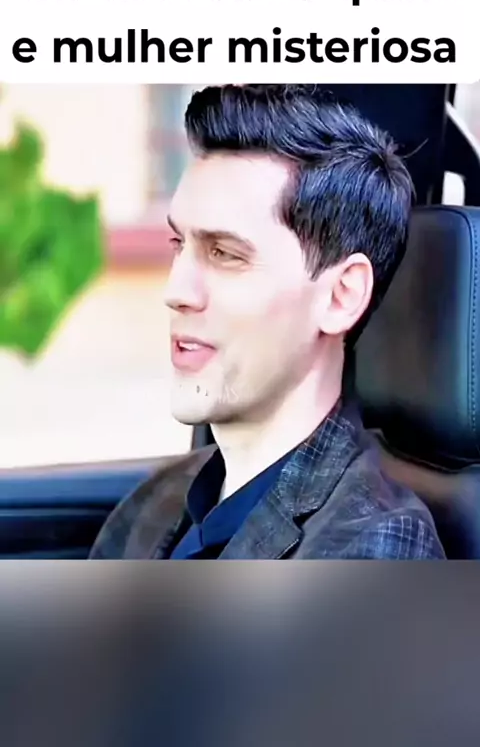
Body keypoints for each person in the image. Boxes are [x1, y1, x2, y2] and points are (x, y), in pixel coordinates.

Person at [90, 83, 445, 560]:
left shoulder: (375, 548)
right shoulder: (154, 502)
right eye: (179, 245)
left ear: (341, 295)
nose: (176, 291)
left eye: (224, 253)